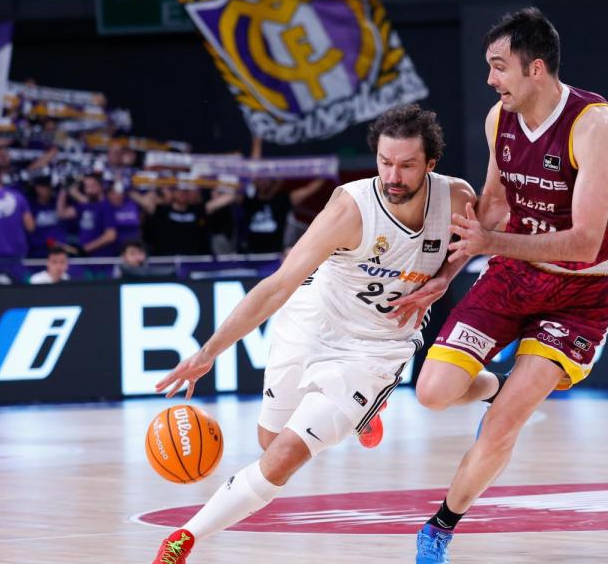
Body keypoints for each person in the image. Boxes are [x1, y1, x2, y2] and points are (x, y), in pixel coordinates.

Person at [148, 105, 475, 564]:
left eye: (406, 165)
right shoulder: (350, 208)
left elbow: (477, 240)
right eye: (385, 162)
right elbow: (278, 285)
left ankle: (183, 540)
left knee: (281, 459)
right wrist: (209, 352)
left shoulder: (457, 198)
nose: (393, 175)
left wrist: (446, 275)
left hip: (376, 350)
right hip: (311, 321)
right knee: (269, 441)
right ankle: (363, 415)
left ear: (431, 165)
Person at [385, 9, 608, 563]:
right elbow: (493, 211)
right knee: (431, 393)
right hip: (516, 273)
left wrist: (488, 246)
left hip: (583, 290)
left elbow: (582, 242)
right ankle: (499, 385)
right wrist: (445, 275)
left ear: (536, 68)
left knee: (503, 426)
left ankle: (440, 528)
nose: (491, 79)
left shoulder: (593, 124)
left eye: (499, 67)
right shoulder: (499, 119)